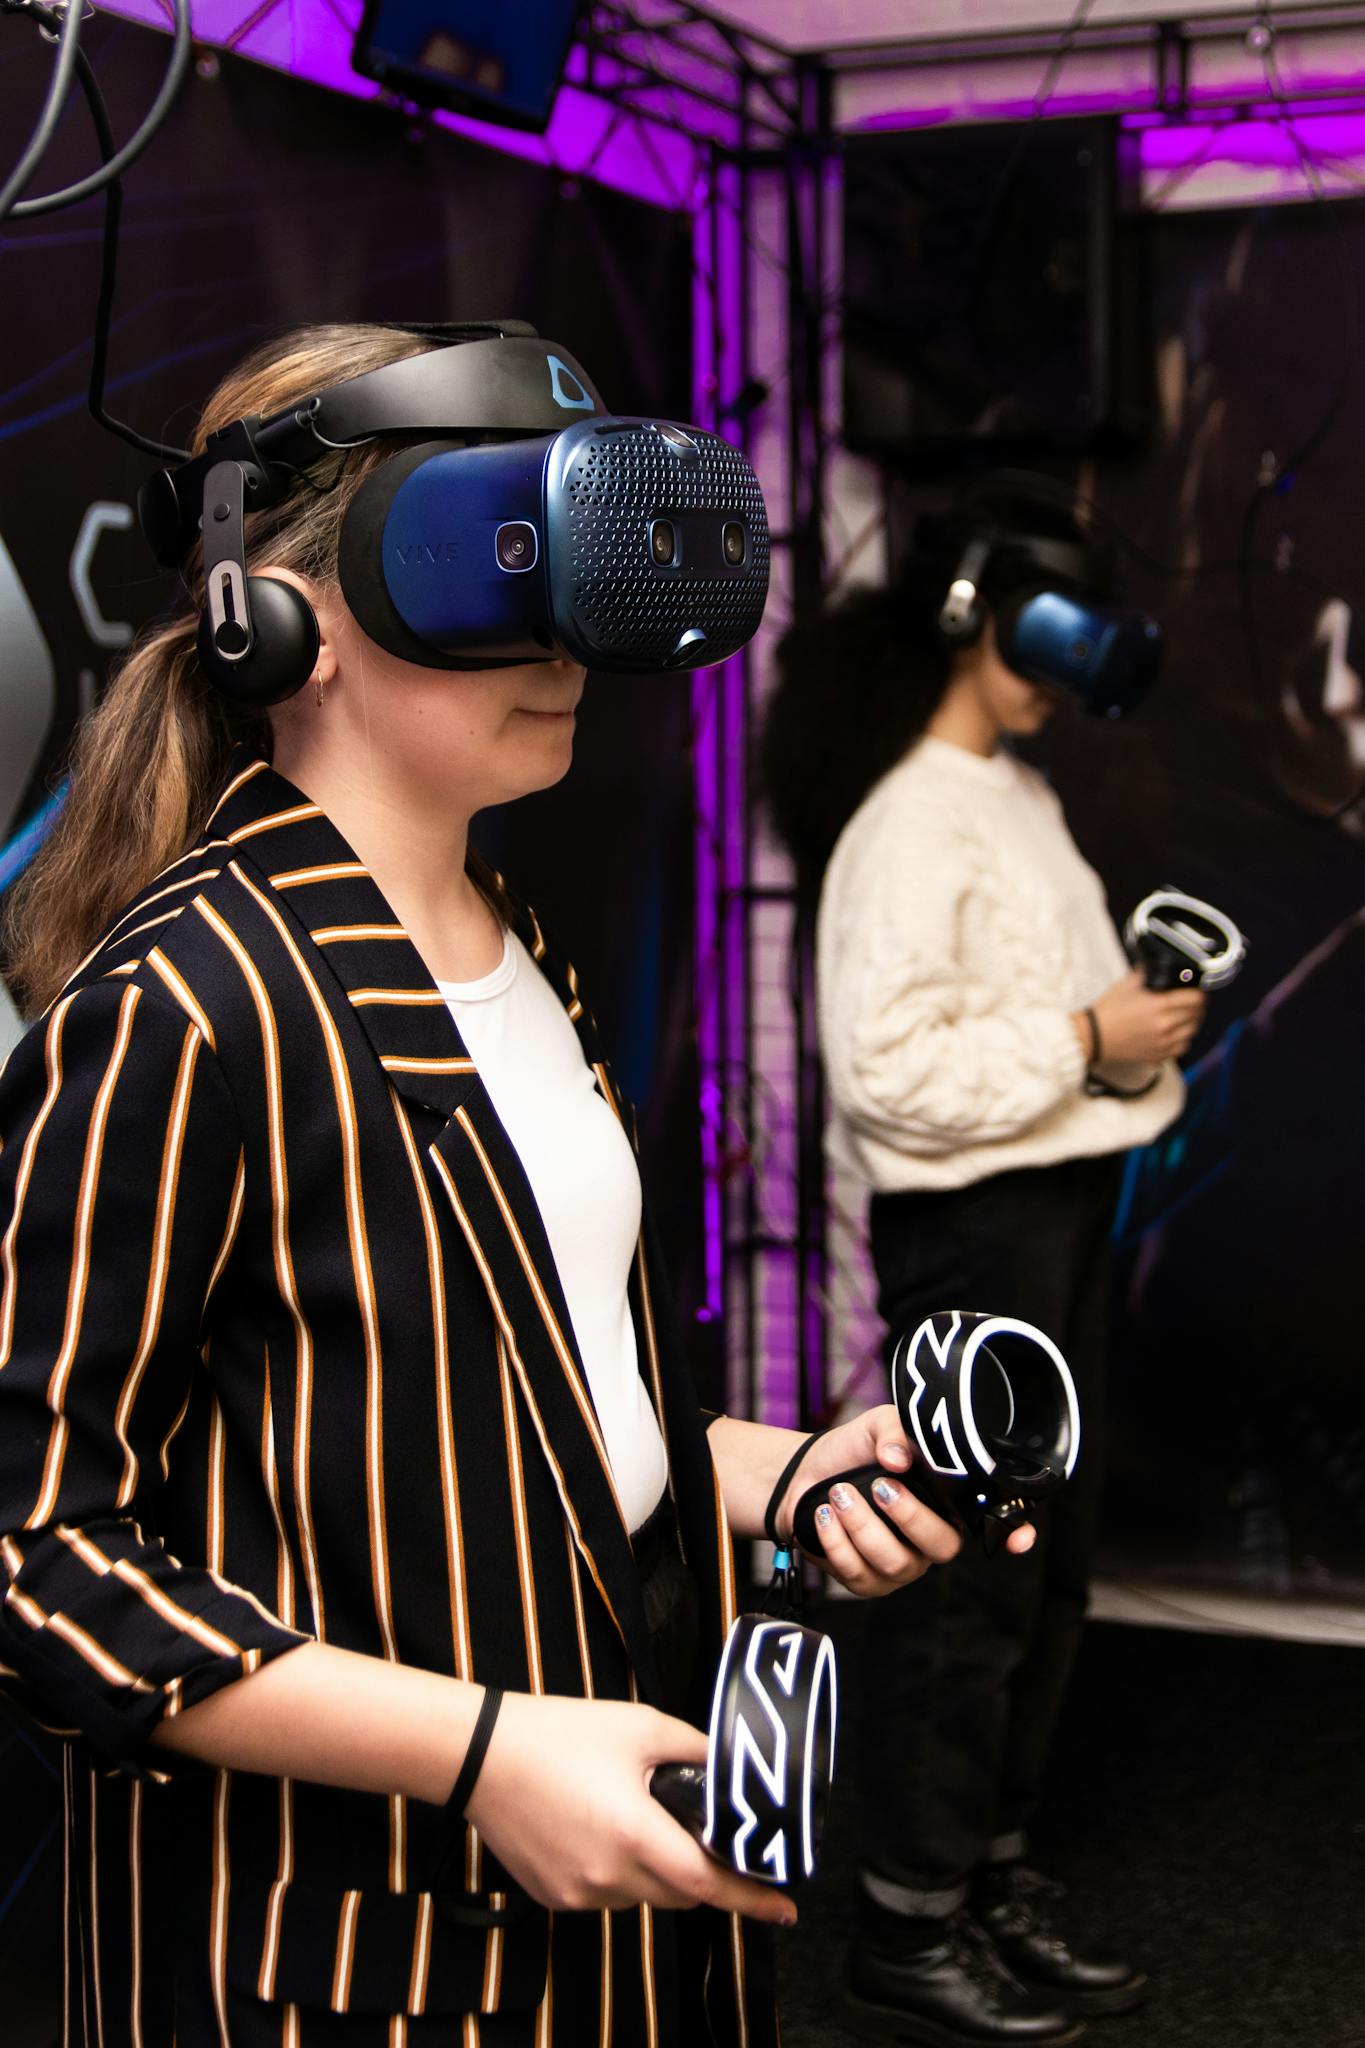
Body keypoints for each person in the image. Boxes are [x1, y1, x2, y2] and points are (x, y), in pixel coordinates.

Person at [0, 324, 1001, 2047]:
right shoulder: (190, 1006)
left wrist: (792, 1474)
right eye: (484, 574)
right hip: (340, 1960)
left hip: (620, 1886)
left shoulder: (512, 944)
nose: (560, 647)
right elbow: (33, 1556)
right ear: (282, 623)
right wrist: (479, 1754)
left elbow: (540, 1412)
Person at [761, 497, 1205, 2047]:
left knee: (1047, 1564)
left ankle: (984, 1879)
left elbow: (1054, 1033)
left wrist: (1124, 1033)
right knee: (966, 1581)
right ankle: (904, 1922)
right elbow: (886, 1074)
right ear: (976, 611)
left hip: (1055, 1211)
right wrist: (1091, 1038)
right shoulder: (907, 814)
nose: (1062, 668)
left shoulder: (1008, 791)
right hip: (971, 1230)